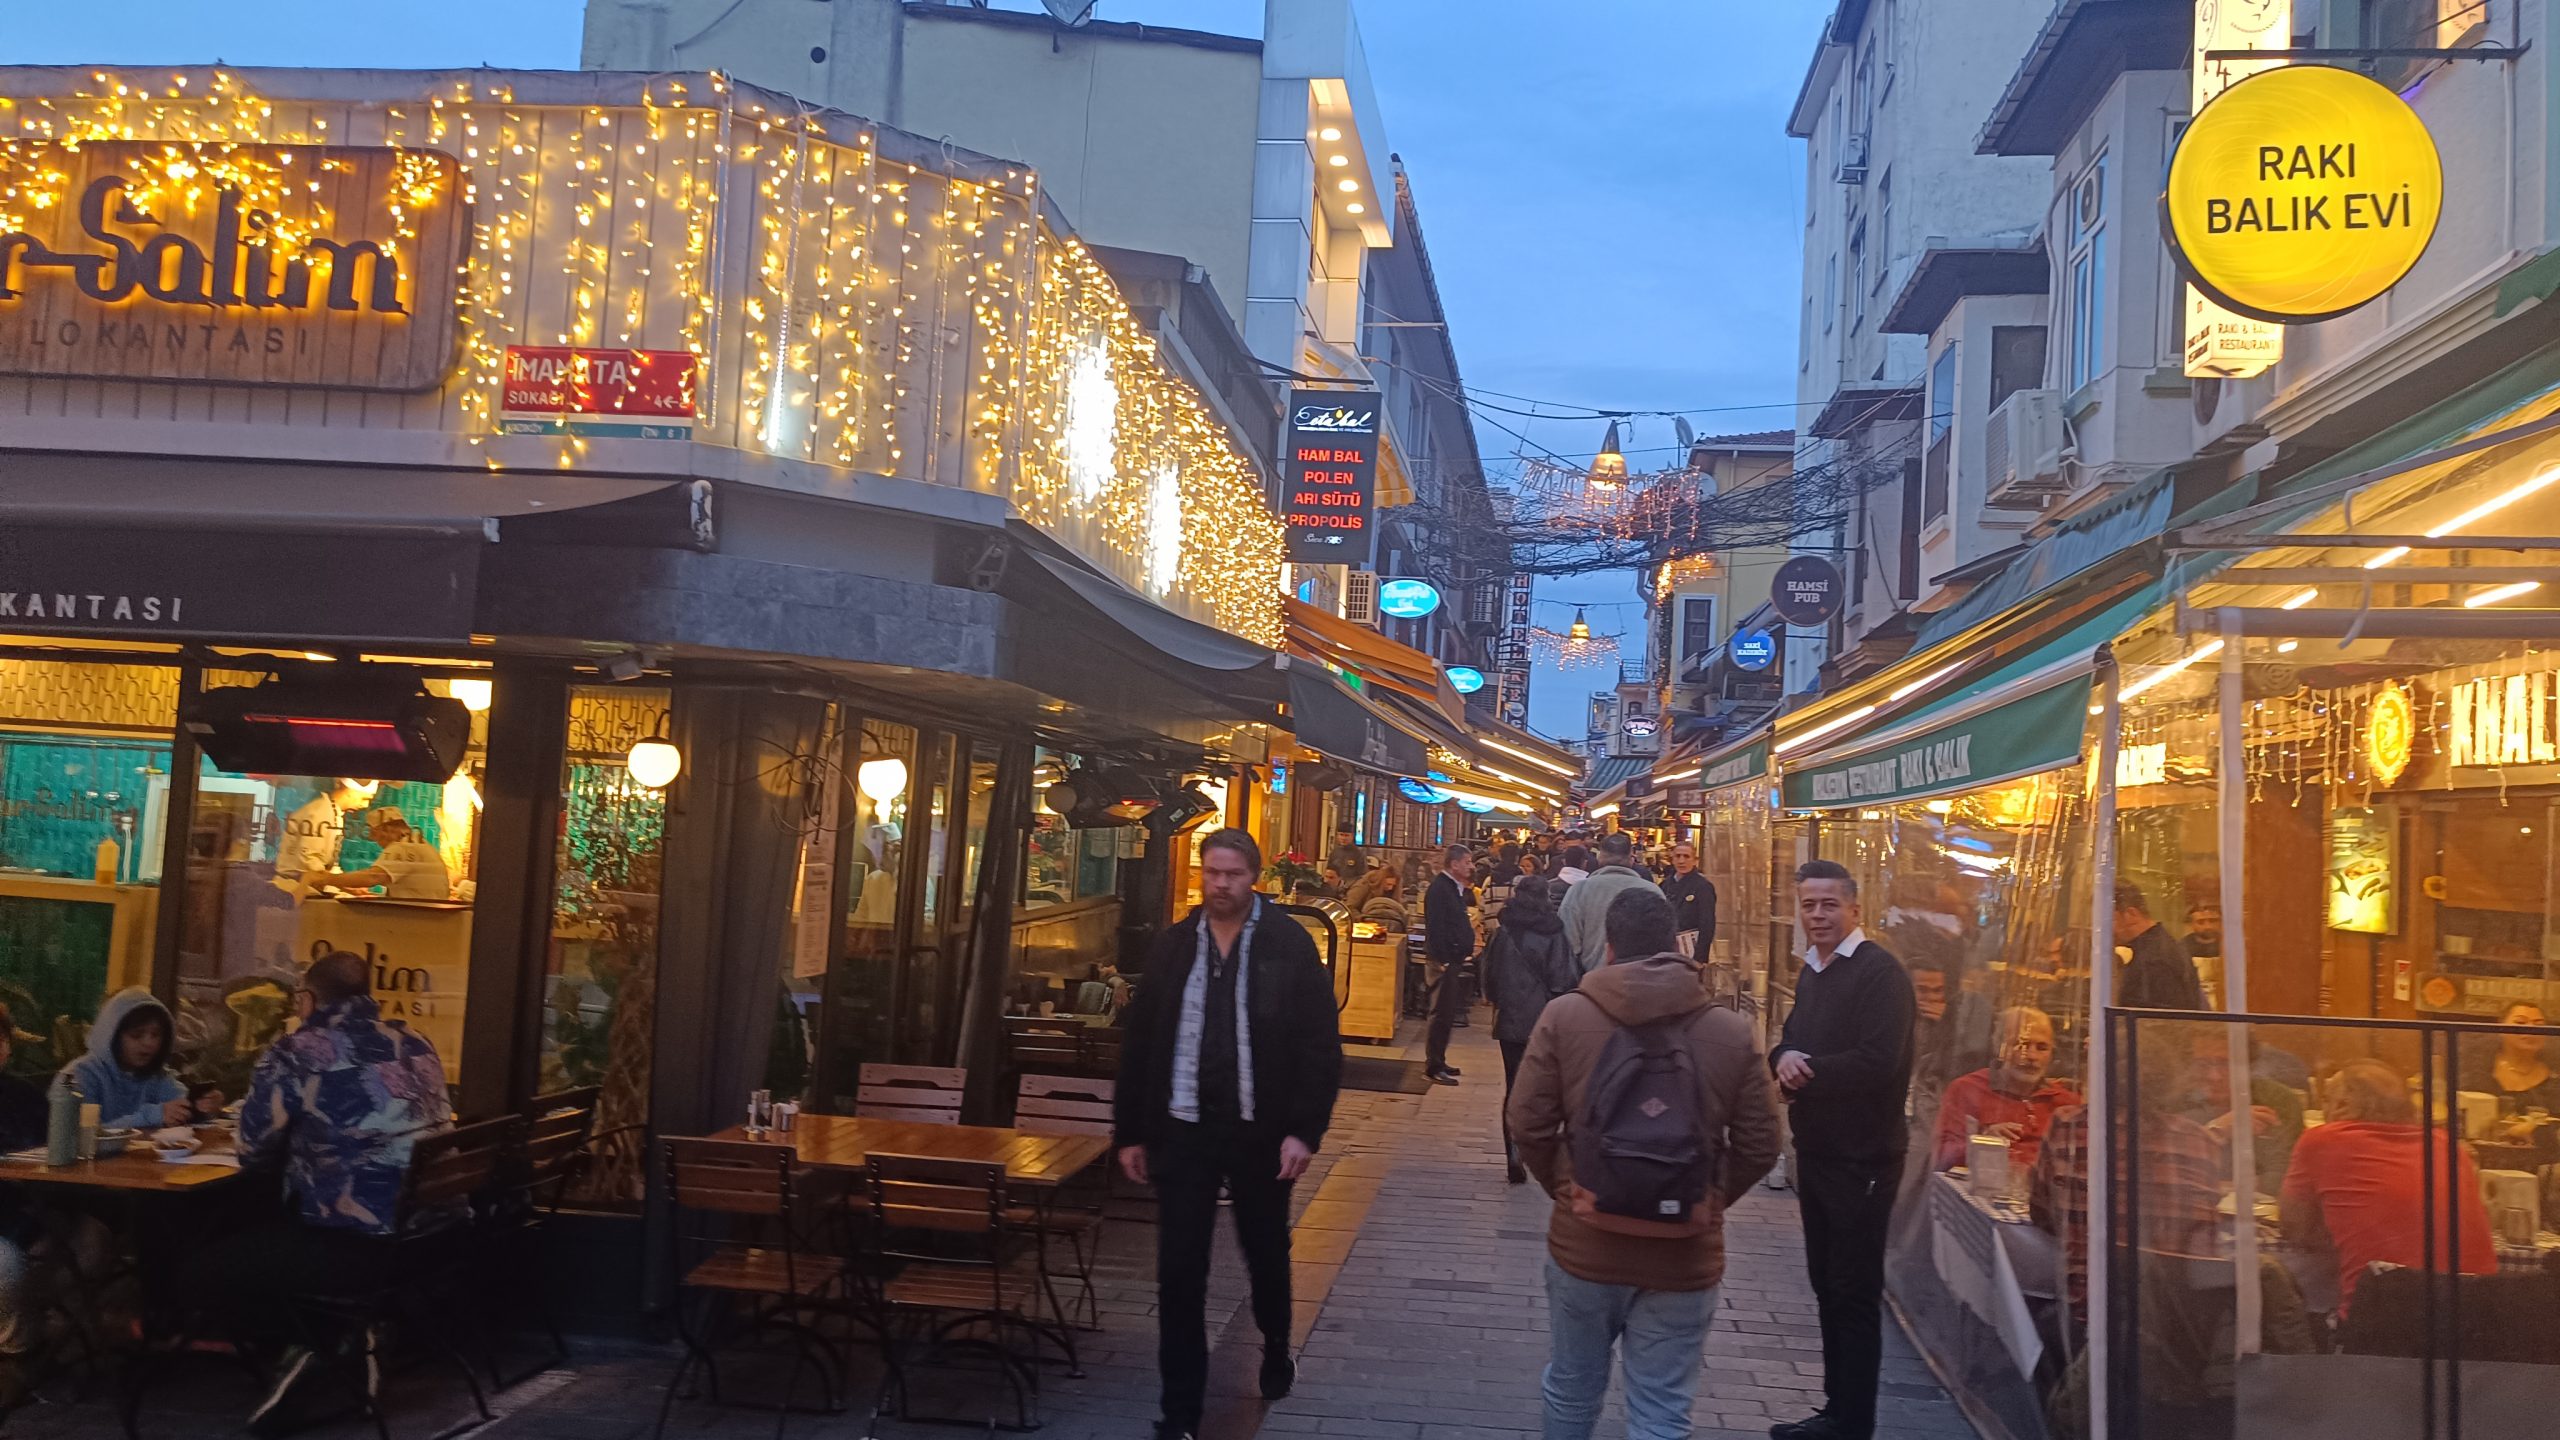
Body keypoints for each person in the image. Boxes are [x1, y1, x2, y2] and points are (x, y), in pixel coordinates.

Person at [1508, 888, 1781, 1440]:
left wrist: (1571, 1185)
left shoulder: (1565, 1016)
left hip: (1586, 1248)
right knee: (1662, 1408)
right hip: (1684, 1257)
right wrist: (1707, 1196)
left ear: (1608, 948)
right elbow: (1761, 1143)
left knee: (1572, 1387)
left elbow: (1527, 1122)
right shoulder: (1730, 1031)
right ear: (1676, 945)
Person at [1113, 829, 1341, 1440]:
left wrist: (1303, 1131)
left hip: (1259, 1132)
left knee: (1264, 1252)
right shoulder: (1173, 946)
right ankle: (1179, 1413)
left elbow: (1319, 1045)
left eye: (1232, 874)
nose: (1220, 884)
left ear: (1254, 877)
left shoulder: (1287, 943)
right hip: (1183, 1128)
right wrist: (1131, 1130)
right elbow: (1140, 1043)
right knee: (1179, 1272)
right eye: (1211, 872)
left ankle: (1275, 1343)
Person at [189, 950, 453, 1430]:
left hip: (359, 1244)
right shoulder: (415, 1041)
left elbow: (252, 1150)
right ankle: (347, 1337)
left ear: (308, 1000)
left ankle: (318, 1343)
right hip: (431, 1236)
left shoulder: (298, 1051)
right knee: (269, 1234)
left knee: (203, 1267)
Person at [1768, 860, 1915, 1440]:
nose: (1818, 915)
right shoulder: (1813, 970)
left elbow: (1879, 1061)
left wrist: (1805, 1075)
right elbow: (1791, 1038)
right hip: (1819, 1152)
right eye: (1808, 905)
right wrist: (1782, 1057)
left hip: (1864, 1161)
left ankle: (1852, 1423)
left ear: (1855, 908)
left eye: (1829, 904)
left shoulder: (1881, 974)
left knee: (1853, 1292)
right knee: (1827, 1284)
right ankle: (1836, 1410)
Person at [2281, 1059, 2497, 1313]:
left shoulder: (2323, 1140)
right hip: (2476, 1316)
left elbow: (2294, 1227)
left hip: (2384, 1318)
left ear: (2342, 1105)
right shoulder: (2448, 1146)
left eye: (2325, 1100)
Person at [1482, 876, 1579, 1185]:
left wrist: (1498, 1000)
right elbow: (1564, 979)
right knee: (1545, 1088)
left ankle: (1512, 1152)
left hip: (1510, 1020)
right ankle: (1536, 1149)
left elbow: (1489, 976)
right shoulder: (1553, 931)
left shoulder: (1503, 930)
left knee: (1513, 1085)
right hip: (1543, 1021)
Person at [1929, 1006, 2078, 1172]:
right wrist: (1984, 1142)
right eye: (2021, 1045)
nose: (2031, 1056)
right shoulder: (1966, 1090)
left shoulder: (2067, 1103)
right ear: (1998, 1046)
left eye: (2042, 1048)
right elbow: (1941, 1157)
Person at [63, 988, 221, 1131]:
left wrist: (202, 1106)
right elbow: (79, 1136)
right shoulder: (78, 1076)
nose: (149, 1043)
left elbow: (180, 1104)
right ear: (111, 1036)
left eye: (156, 1035)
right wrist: (153, 1115)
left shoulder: (156, 1074)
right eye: (136, 1035)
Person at [2182, 1028, 2302, 1183]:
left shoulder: (2277, 1099)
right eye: (2202, 1064)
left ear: (2249, 1066)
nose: (2214, 1076)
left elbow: (2287, 1175)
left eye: (2225, 1064)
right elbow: (2167, 1166)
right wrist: (2216, 1130)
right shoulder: (2176, 1100)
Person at [1558, 832, 1664, 975]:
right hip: (1642, 978)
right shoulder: (1652, 890)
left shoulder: (1579, 891)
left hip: (1592, 978)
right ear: (1631, 858)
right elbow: (1662, 942)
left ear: (1600, 857)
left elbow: (1569, 942)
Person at [1421, 844, 1477, 1086]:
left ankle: (1440, 1059)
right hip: (1442, 962)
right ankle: (1433, 1066)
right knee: (1440, 1013)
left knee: (1447, 1013)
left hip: (1452, 959)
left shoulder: (1453, 887)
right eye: (1467, 862)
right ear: (1454, 864)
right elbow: (1436, 927)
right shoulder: (1440, 889)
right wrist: (1443, 958)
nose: (1471, 866)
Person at [313, 806, 451, 900]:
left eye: (376, 835)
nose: (377, 842)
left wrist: (326, 879)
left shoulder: (403, 846)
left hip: (419, 920)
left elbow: (373, 877)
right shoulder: (416, 842)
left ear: (386, 829)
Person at [274, 779, 375, 896]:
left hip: (310, 886)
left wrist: (348, 885)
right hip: (294, 888)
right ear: (349, 791)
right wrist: (344, 884)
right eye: (364, 799)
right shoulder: (319, 812)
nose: (365, 805)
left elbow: (328, 864)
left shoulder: (333, 813)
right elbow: (309, 860)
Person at [2113, 883, 2206, 1011]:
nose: (2103, 930)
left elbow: (2159, 1020)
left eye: (2110, 920)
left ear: (2131, 914)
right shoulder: (2159, 947)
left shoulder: (2154, 961)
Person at [2483, 1001, 2560, 1122]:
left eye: (2539, 1025)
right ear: (2500, 1028)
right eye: (2520, 1022)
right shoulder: (2478, 1068)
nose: (2531, 1029)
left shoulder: (2555, 1077)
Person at [1659, 841, 1718, 955]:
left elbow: (1707, 923)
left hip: (1691, 948)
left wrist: (1701, 955)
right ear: (1672, 859)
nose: (1681, 861)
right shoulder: (1664, 885)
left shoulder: (1703, 886)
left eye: (1686, 856)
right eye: (1678, 856)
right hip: (1666, 947)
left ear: (1695, 860)